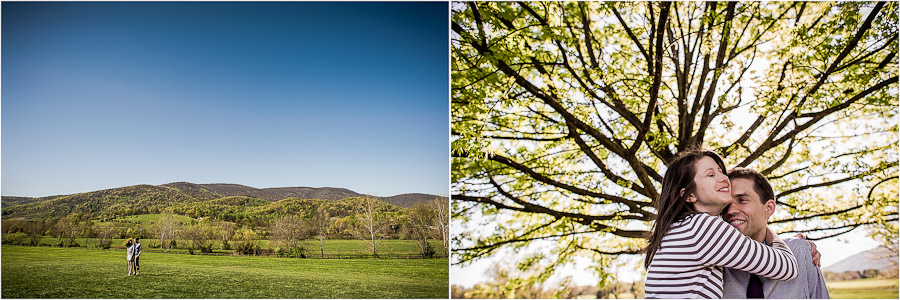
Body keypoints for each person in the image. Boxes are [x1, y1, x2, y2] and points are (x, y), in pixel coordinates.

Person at [643, 150, 799, 299]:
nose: (724, 178)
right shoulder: (702, 227)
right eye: (710, 174)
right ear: (689, 195)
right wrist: (769, 231)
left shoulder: (682, 228)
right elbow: (787, 267)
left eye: (720, 171)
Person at [722, 167, 830, 298]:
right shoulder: (715, 262)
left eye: (742, 200)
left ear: (768, 208)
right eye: (726, 204)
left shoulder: (798, 251)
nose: (730, 210)